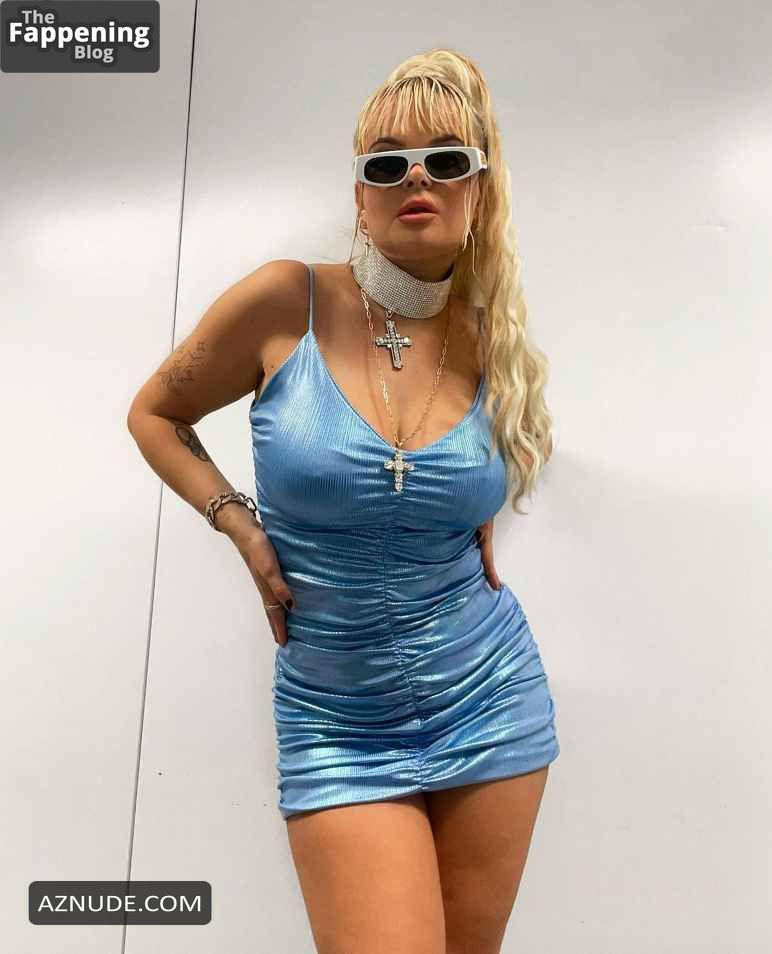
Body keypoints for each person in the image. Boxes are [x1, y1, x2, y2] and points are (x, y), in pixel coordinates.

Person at [128, 47, 559, 954]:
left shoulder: (492, 340)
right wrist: (240, 527)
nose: (416, 177)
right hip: (338, 719)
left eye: (446, 158)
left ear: (480, 191)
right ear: (360, 195)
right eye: (387, 162)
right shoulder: (285, 302)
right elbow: (155, 414)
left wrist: (466, 505)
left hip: (489, 691)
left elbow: (487, 463)